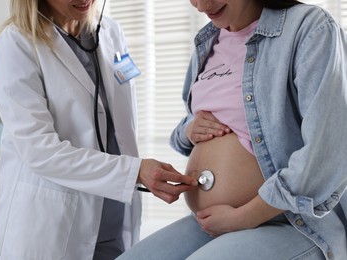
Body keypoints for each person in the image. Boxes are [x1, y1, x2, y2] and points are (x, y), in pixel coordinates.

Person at [117, 0, 347, 259]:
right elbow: (195, 122)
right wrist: (189, 130)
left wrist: (244, 217)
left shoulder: (309, 27)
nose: (202, 6)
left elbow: (329, 149)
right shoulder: (208, 42)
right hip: (212, 222)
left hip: (291, 220)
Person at [0, 0, 198, 259]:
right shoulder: (17, 43)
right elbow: (39, 151)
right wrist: (135, 171)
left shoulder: (110, 32)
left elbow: (122, 117)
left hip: (113, 217)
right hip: (52, 225)